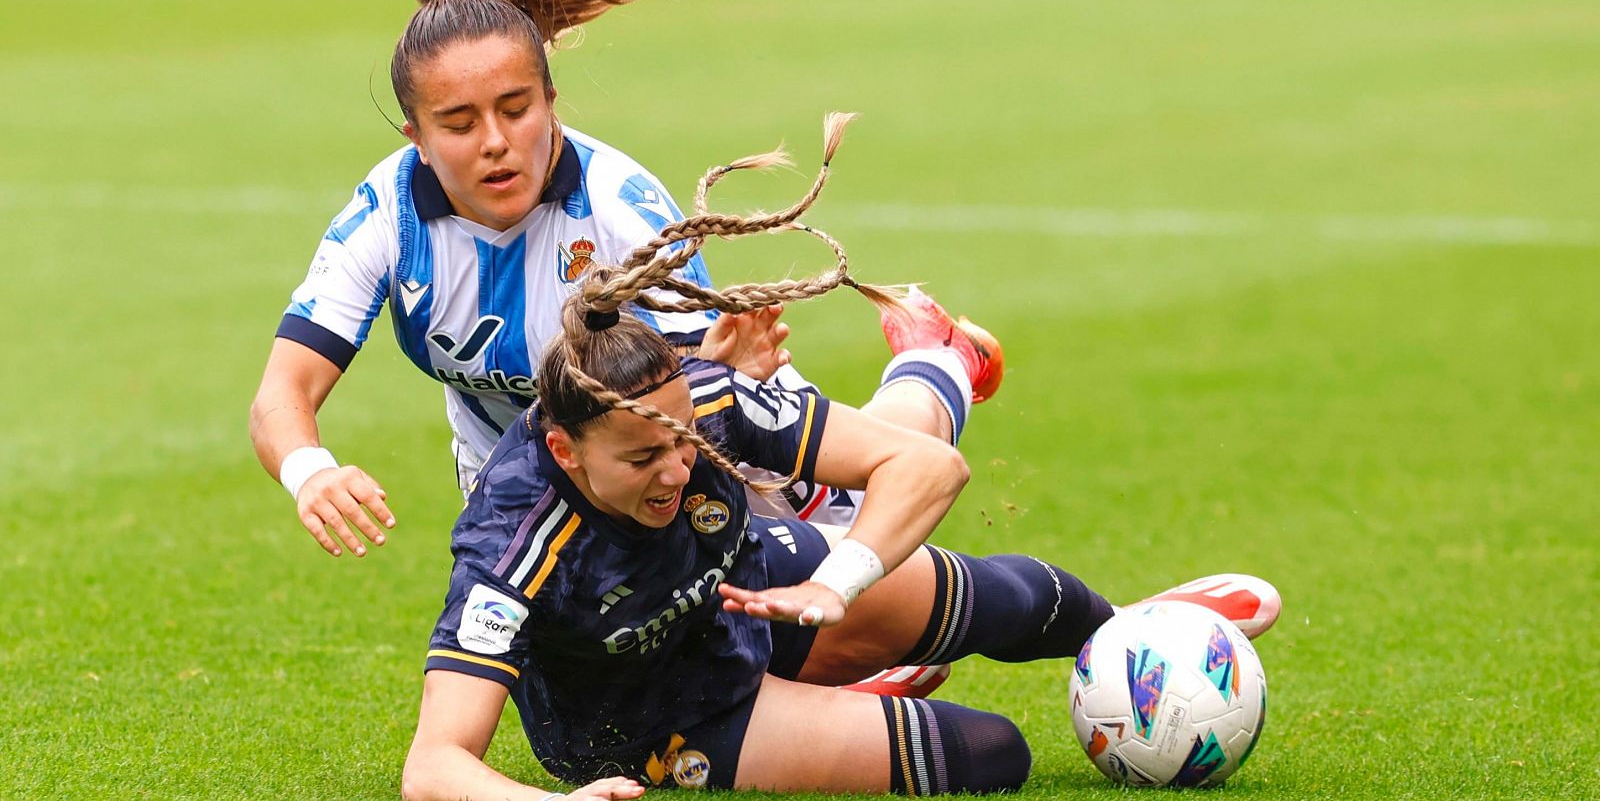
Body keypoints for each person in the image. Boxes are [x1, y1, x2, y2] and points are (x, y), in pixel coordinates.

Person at [400, 150, 1282, 798]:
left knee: (1021, 600)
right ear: (565, 452)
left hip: (750, 590)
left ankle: (1141, 638)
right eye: (642, 458)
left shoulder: (702, 398)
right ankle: (842, 673)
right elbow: (434, 767)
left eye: (682, 442)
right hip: (660, 714)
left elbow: (929, 467)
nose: (677, 468)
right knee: (990, 755)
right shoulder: (509, 546)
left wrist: (838, 578)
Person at [247, 0, 1001, 563]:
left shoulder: (618, 207)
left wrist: (723, 360)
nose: (495, 141)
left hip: (700, 437)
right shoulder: (387, 215)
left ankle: (937, 363)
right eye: (458, 122)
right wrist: (312, 471)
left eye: (516, 109)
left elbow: (698, 399)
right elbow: (283, 392)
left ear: (551, 98)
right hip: (523, 481)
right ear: (416, 135)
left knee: (865, 544)